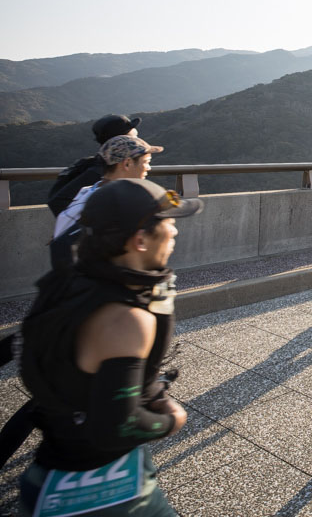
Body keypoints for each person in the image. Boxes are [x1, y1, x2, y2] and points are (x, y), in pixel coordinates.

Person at [16, 178, 202, 517]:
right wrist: (172, 420)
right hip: (101, 492)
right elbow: (118, 428)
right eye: (168, 223)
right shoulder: (126, 319)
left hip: (47, 475)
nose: (174, 231)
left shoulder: (66, 283)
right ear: (140, 240)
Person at [51, 135, 163, 270]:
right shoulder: (113, 204)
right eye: (146, 162)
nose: (149, 168)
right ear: (127, 163)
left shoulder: (87, 193)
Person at [46, 114, 141, 217]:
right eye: (134, 137)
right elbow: (58, 201)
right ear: (121, 140)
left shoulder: (102, 164)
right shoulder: (101, 170)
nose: (139, 140)